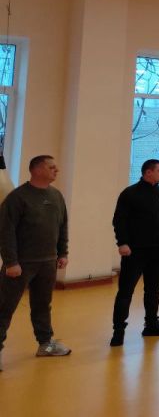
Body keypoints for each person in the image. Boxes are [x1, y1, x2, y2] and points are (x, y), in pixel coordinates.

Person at [0, 155, 70, 370]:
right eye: (51, 167)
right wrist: (11, 262)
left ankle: (45, 344)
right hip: (20, 264)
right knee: (4, 306)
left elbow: (62, 226)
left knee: (42, 305)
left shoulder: (56, 196)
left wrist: (62, 253)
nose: (56, 170)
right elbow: (6, 232)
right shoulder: (17, 198)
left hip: (47, 262)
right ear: (37, 170)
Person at [110, 159, 159, 347]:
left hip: (156, 250)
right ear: (148, 172)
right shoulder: (130, 194)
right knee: (126, 291)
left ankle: (151, 324)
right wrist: (122, 243)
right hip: (135, 251)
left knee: (153, 289)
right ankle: (118, 331)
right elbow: (119, 220)